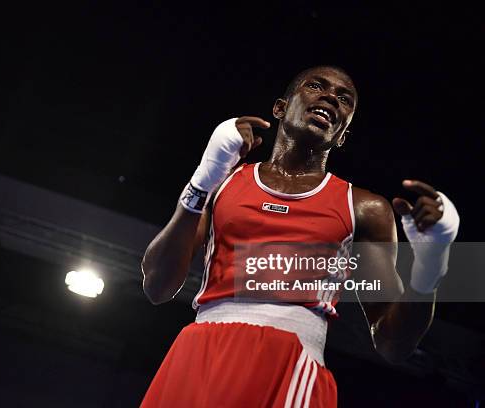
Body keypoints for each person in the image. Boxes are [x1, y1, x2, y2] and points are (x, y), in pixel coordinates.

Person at [139, 66, 460, 407]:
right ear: (280, 108)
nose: (330, 98)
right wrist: (201, 181)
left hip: (289, 366)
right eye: (316, 86)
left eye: (343, 98)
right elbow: (157, 286)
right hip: (198, 355)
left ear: (342, 137)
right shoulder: (224, 182)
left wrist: (431, 262)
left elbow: (393, 344)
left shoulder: (365, 208)